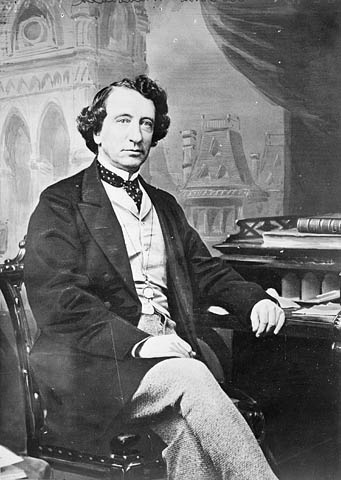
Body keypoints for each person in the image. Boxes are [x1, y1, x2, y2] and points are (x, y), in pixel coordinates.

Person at [24, 75, 285, 480]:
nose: (137, 135)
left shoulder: (164, 205)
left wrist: (255, 299)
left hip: (169, 358)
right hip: (92, 368)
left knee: (187, 436)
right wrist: (142, 345)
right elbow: (60, 302)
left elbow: (206, 268)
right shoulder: (60, 203)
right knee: (192, 374)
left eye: (146, 124)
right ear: (96, 130)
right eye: (123, 121)